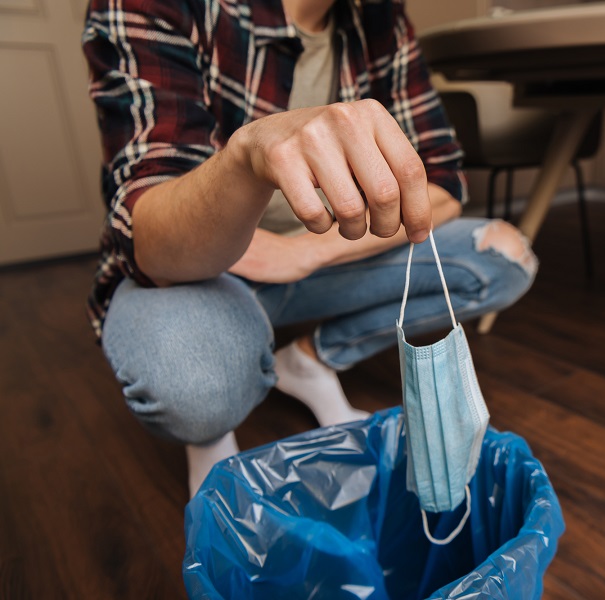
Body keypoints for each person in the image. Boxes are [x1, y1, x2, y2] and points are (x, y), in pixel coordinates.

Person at [82, 0, 538, 496]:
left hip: (311, 254)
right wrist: (247, 154)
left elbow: (443, 183)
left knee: (502, 256)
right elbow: (149, 237)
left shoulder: (379, 21)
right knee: (199, 387)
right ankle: (212, 433)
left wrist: (304, 251)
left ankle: (309, 361)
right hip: (194, 269)